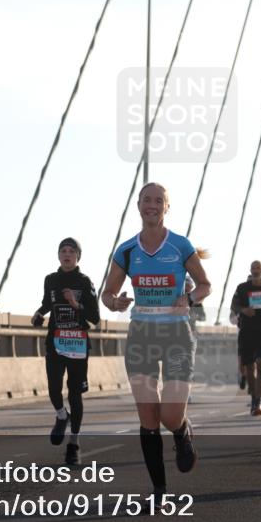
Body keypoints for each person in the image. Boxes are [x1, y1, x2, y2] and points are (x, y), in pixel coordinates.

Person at [102, 182, 211, 496]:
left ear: (166, 207)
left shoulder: (179, 245)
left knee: (170, 416)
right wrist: (115, 302)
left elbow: (205, 285)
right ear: (138, 205)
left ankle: (181, 430)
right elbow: (106, 293)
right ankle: (159, 491)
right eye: (146, 200)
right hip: (141, 335)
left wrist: (189, 299)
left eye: (158, 201)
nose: (152, 205)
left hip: (176, 334)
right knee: (149, 418)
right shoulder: (126, 250)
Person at [31, 238, 100, 466]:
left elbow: (95, 317)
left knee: (74, 394)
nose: (67, 254)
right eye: (63, 251)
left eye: (71, 251)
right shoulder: (50, 280)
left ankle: (74, 444)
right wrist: (38, 314)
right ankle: (62, 415)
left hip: (78, 344)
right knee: (53, 389)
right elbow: (46, 304)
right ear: (58, 255)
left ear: (78, 256)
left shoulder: (85, 282)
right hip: (56, 342)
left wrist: (75, 304)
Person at [231, 261, 261, 415]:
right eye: (253, 268)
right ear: (250, 270)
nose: (256, 270)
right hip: (246, 330)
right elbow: (234, 306)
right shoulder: (242, 288)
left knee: (260, 364)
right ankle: (253, 398)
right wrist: (244, 310)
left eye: (258, 268)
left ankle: (258, 401)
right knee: (250, 367)